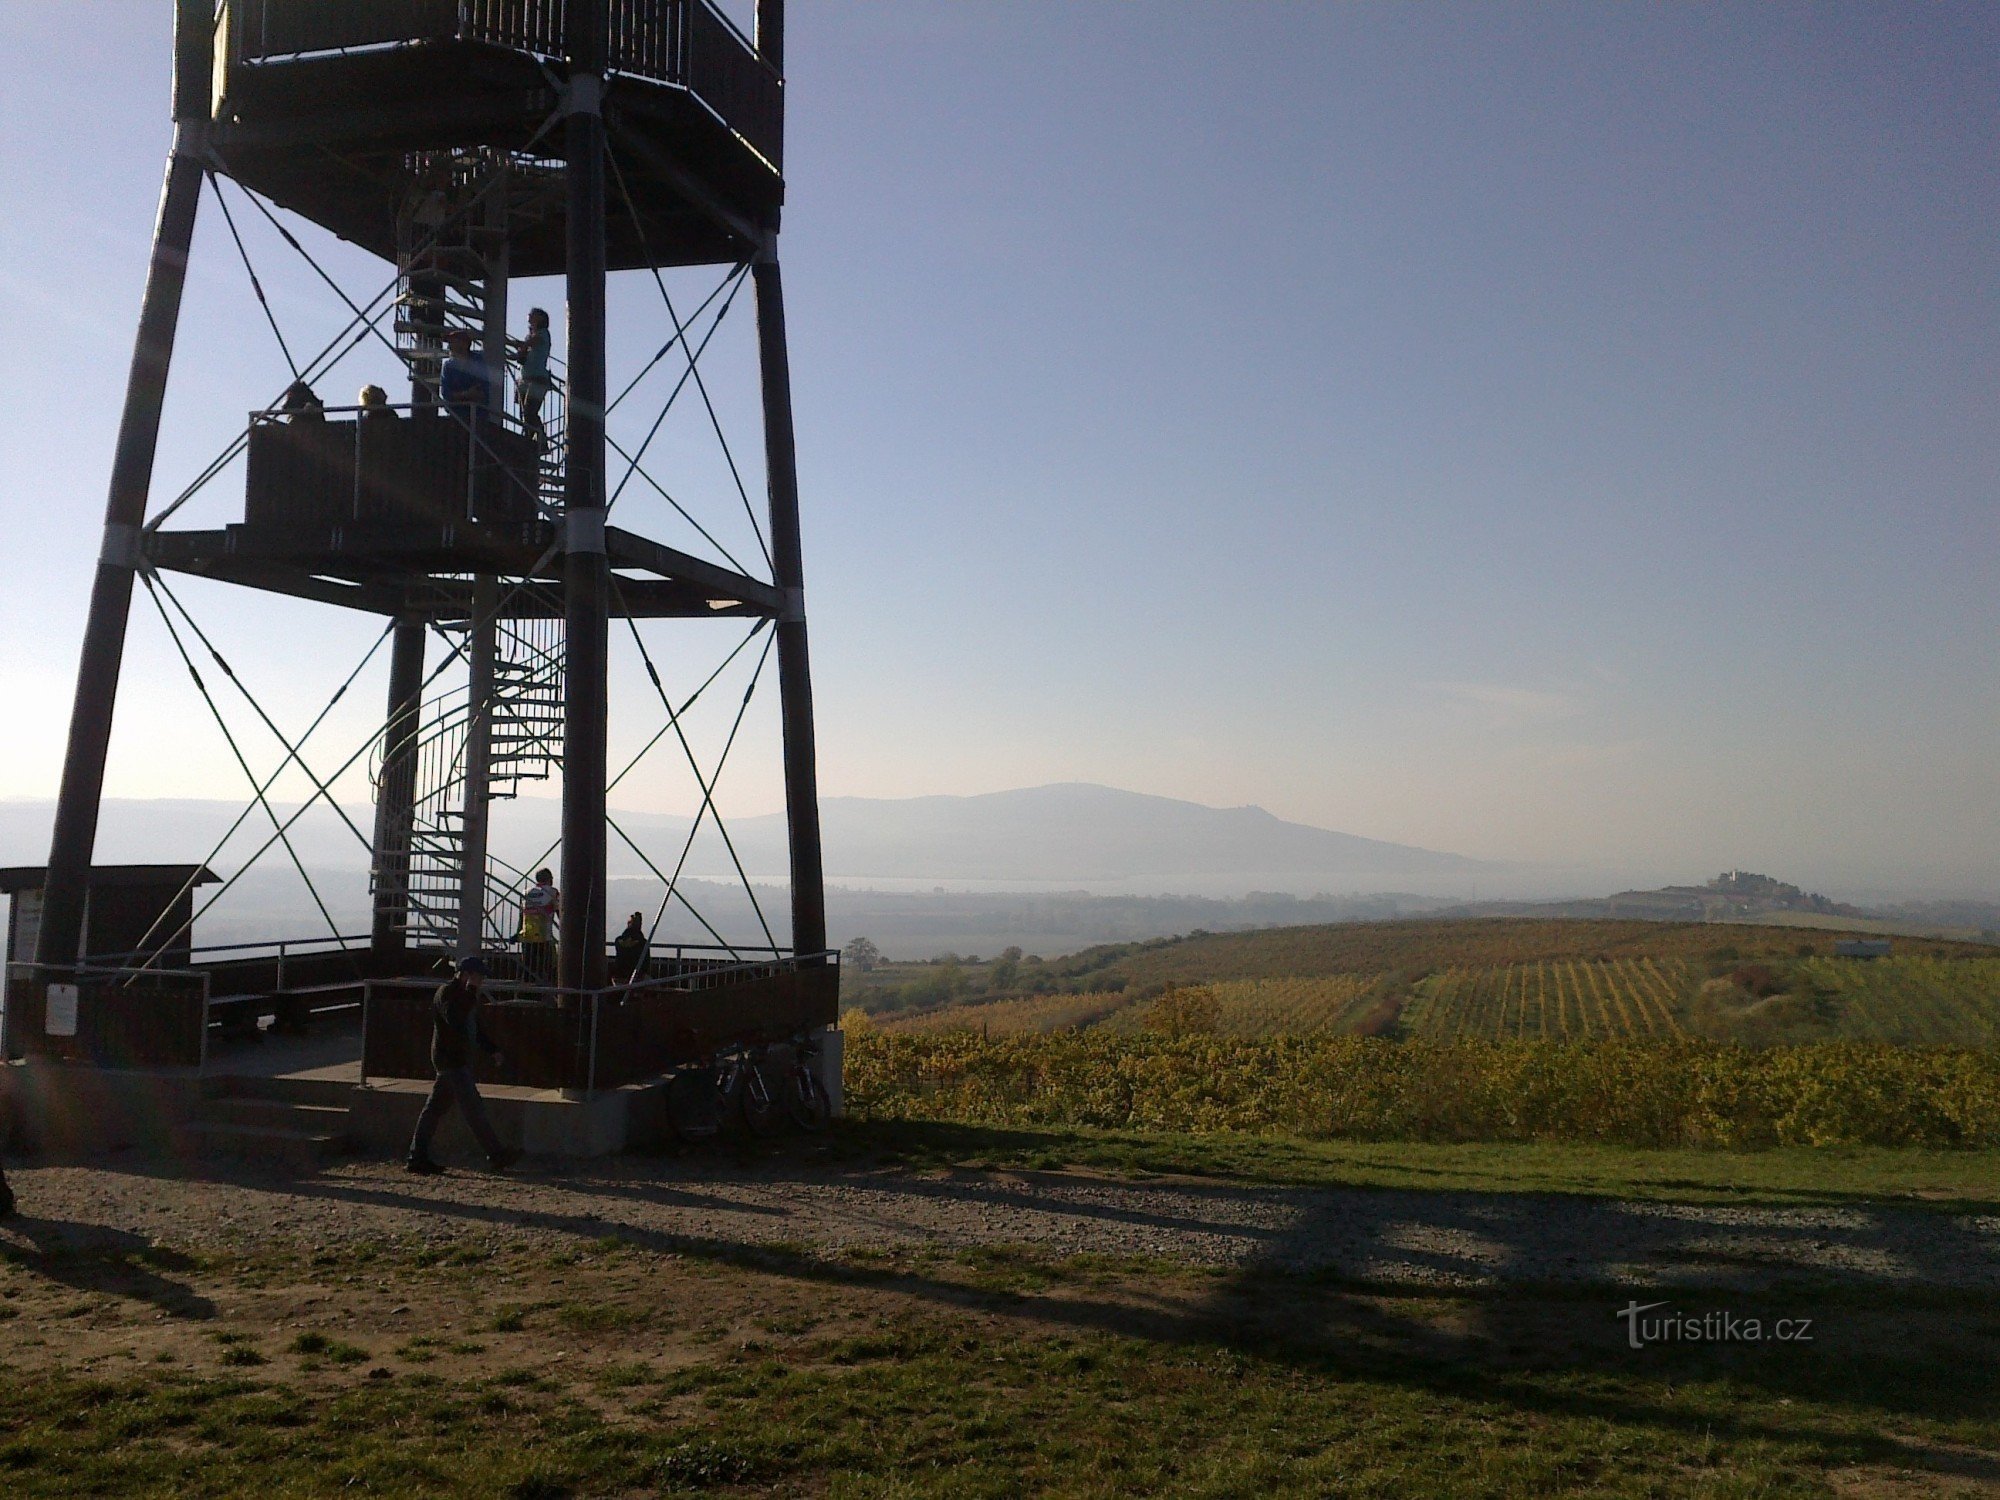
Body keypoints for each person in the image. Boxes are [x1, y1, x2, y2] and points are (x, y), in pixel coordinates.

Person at [406, 955, 520, 1175]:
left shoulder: (465, 996)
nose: (482, 981)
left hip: (454, 1060)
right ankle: (496, 1154)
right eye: (479, 976)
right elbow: (456, 1020)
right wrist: (469, 992)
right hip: (451, 1061)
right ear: (467, 975)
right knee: (472, 1108)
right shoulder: (447, 993)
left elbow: (474, 1028)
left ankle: (417, 1156)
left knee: (435, 1109)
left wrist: (492, 1050)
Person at [508, 307, 553, 449]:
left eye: (533, 314)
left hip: (537, 378)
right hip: (525, 378)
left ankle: (541, 441)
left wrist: (519, 345)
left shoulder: (543, 334)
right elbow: (523, 355)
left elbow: (532, 343)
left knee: (530, 411)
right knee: (525, 414)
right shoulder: (529, 337)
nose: (529, 315)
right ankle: (530, 440)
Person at [518, 869, 559, 984]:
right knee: (549, 968)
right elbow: (561, 914)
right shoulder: (552, 892)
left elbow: (522, 915)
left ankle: (527, 996)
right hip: (544, 937)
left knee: (528, 971)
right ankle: (546, 996)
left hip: (527, 937)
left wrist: (517, 934)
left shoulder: (526, 892)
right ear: (550, 879)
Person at [439, 330, 494, 409]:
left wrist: (457, 395)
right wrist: (465, 394)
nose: (449, 347)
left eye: (453, 342)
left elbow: (481, 391)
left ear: (464, 344)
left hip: (477, 413)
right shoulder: (448, 366)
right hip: (455, 412)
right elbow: (446, 393)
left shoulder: (477, 361)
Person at [612, 912, 648, 986]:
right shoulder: (643, 942)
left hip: (618, 977)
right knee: (653, 984)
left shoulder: (618, 940)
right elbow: (646, 963)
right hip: (636, 978)